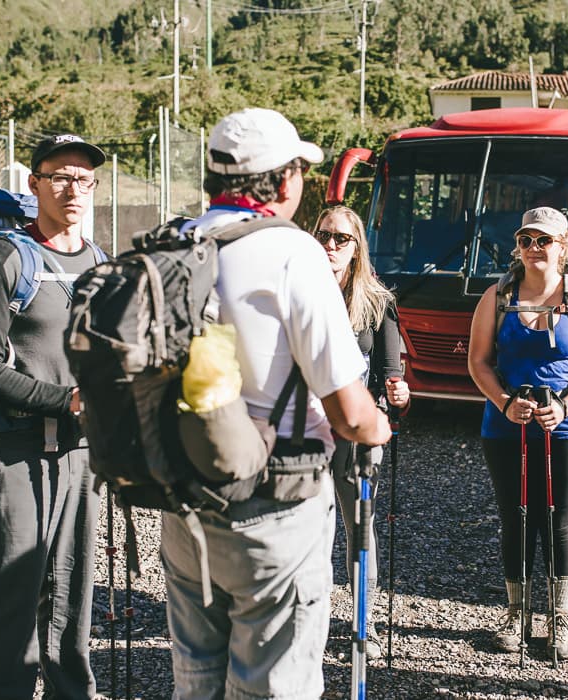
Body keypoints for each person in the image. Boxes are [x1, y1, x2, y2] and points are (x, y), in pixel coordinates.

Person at [159, 108, 391, 699]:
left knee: (197, 679)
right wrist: (378, 428)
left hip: (183, 504)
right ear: (286, 182)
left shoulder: (176, 242)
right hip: (271, 507)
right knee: (273, 685)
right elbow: (349, 413)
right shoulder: (292, 255)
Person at [0, 134, 107, 699]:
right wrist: (66, 401)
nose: (74, 188)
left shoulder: (100, 263)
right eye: (60, 177)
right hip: (17, 450)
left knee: (73, 590)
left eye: (84, 179)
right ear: (36, 184)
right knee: (15, 593)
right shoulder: (3, 259)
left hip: (83, 455)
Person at [467, 206, 568, 660]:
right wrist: (505, 403)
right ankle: (516, 612)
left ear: (563, 246)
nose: (533, 249)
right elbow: (478, 362)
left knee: (558, 521)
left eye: (543, 241)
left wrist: (565, 405)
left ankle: (561, 617)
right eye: (526, 240)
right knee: (516, 518)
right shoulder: (497, 296)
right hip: (506, 424)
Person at [310, 204, 410, 661]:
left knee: (358, 529)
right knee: (310, 530)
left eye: (341, 239)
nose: (330, 245)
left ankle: (362, 623)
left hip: (354, 435)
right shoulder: (301, 292)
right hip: (307, 433)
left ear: (356, 248)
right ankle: (308, 620)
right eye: (324, 236)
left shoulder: (377, 301)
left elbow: (392, 375)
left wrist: (397, 396)